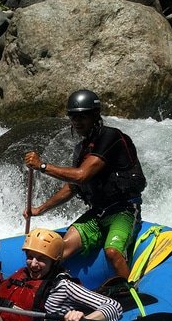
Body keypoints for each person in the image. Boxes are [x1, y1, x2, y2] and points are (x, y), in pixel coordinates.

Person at [24, 89, 146, 279]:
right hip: (97, 213)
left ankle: (130, 294)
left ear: (95, 115)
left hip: (124, 210)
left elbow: (81, 175)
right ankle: (43, 291)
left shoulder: (111, 137)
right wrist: (41, 209)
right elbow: (74, 186)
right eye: (73, 117)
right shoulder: (81, 149)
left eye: (83, 116)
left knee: (112, 252)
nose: (77, 121)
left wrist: (42, 165)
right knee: (58, 251)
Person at [0, 228, 123, 321]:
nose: (34, 264)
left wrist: (82, 318)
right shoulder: (23, 274)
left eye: (41, 258)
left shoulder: (64, 286)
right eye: (30, 257)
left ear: (55, 261)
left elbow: (113, 306)